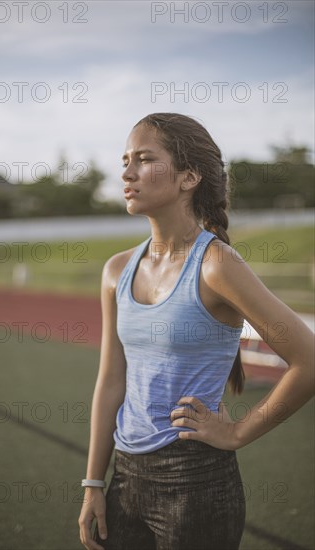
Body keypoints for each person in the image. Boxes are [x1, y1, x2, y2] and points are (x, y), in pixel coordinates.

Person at [78, 113, 314, 550]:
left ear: (188, 176)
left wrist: (238, 433)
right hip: (125, 476)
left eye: (144, 159)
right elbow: (111, 380)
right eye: (125, 160)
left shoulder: (216, 265)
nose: (127, 173)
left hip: (197, 482)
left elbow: (309, 361)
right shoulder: (116, 270)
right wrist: (94, 481)